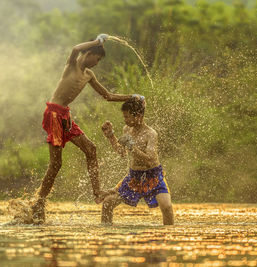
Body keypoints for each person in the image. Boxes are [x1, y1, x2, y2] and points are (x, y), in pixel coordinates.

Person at [31, 34, 136, 224]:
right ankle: (38, 204)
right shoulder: (73, 65)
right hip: (54, 114)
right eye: (96, 59)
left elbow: (107, 95)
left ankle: (97, 192)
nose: (96, 63)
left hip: (65, 116)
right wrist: (98, 41)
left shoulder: (89, 74)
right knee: (56, 165)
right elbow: (74, 49)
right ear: (89, 53)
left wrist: (132, 97)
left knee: (91, 149)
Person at [100, 97, 174, 225]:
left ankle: (169, 234)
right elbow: (121, 152)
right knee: (107, 203)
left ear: (138, 115)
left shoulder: (151, 134)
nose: (125, 120)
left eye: (127, 117)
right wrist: (111, 136)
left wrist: (132, 148)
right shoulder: (127, 130)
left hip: (153, 176)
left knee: (166, 207)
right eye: (124, 117)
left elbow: (150, 159)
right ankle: (106, 231)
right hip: (134, 177)